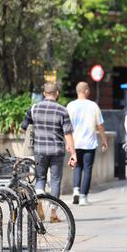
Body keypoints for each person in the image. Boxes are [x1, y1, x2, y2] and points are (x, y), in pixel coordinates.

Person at [21, 83, 77, 222]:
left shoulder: (34, 108)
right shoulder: (62, 110)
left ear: (44, 93)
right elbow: (68, 133)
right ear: (57, 93)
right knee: (56, 180)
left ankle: (38, 198)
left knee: (40, 178)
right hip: (57, 150)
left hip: (39, 150)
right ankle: (53, 213)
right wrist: (73, 152)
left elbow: (24, 128)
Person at [67, 82, 108, 206]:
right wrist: (104, 140)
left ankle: (76, 191)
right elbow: (99, 125)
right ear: (85, 90)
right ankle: (83, 197)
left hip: (75, 142)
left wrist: (68, 143)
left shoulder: (70, 106)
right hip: (89, 143)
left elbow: (66, 127)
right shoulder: (93, 106)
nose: (89, 91)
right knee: (87, 169)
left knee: (77, 167)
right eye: (88, 89)